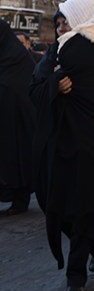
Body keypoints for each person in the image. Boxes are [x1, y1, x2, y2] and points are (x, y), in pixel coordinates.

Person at [30, 0, 94, 291]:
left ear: (81, 19)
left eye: (66, 22)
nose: (60, 29)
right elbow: (37, 86)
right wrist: (54, 84)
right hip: (73, 144)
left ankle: (76, 273)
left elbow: (39, 81)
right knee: (75, 207)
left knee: (81, 209)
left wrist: (53, 79)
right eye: (58, 24)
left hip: (91, 145)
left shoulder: (77, 51)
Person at [0, 19, 36, 216]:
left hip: (17, 121)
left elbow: (19, 88)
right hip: (5, 120)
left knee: (17, 159)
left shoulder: (18, 58)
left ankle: (20, 199)